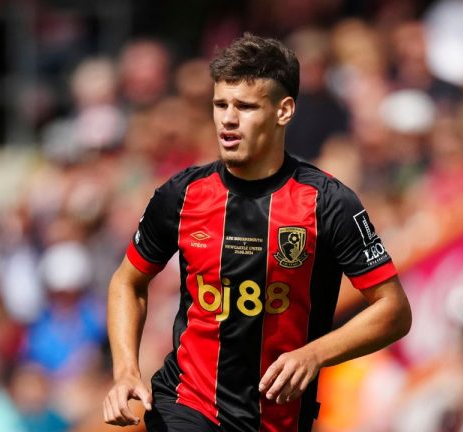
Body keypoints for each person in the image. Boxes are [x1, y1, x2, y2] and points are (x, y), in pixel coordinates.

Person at [102, 33, 412, 432]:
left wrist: (315, 354)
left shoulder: (329, 203)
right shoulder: (181, 195)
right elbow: (127, 282)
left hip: (279, 419)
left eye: (245, 106)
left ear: (283, 111)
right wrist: (126, 370)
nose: (228, 119)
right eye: (220, 105)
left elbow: (394, 309)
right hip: (187, 405)